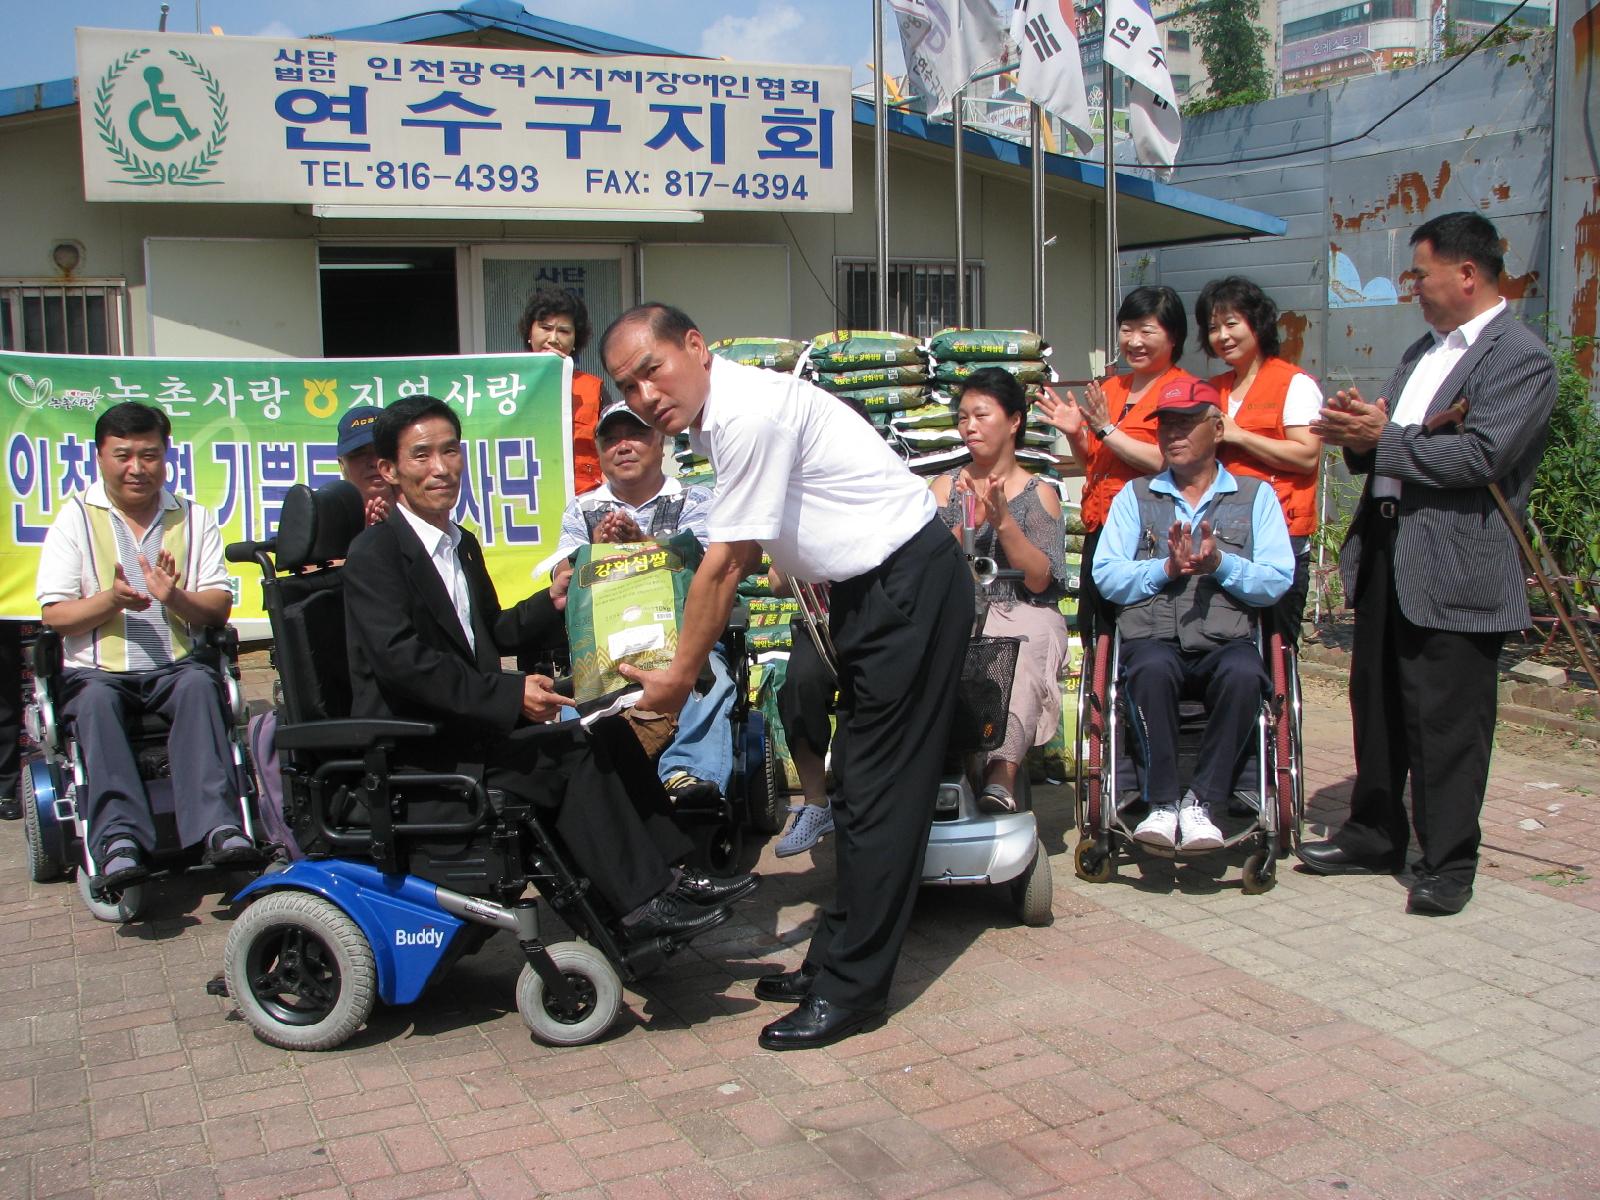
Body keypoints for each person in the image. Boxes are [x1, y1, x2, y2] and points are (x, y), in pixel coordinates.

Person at [601, 303, 974, 1051]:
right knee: (856, 790)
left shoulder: (747, 413)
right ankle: (833, 960)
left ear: (695, 347)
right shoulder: (719, 419)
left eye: (652, 370)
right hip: (867, 593)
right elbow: (744, 547)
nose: (645, 396)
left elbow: (728, 563)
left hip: (907, 586)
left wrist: (677, 678)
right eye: (628, 387)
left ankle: (854, 990)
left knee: (880, 797)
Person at [342, 395, 754, 941]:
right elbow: (404, 664)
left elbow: (492, 632)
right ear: (391, 470)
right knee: (575, 754)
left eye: (450, 451)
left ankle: (676, 875)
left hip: (472, 728)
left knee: (610, 734)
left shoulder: (459, 544)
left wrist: (554, 599)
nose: (440, 468)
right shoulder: (374, 553)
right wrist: (510, 696)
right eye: (421, 456)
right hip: (422, 746)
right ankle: (640, 905)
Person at [1299, 211, 1557, 916]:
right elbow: (1393, 444)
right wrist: (1357, 435)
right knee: (1377, 702)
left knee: (1447, 720)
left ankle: (1447, 861)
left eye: (1421, 273)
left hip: (1456, 563)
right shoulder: (1422, 351)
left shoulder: (1519, 356)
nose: (1412, 286)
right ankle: (1375, 833)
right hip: (1388, 549)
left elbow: (1481, 457)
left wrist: (1383, 437)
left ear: (1466, 273)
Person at [34, 401, 255, 886]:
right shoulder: (75, 519)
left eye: (149, 455)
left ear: (166, 455)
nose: (137, 468)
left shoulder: (193, 517)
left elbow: (217, 607)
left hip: (175, 667)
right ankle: (119, 841)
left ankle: (220, 829)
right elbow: (55, 615)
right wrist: (112, 600)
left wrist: (174, 596)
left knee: (200, 688)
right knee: (95, 703)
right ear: (100, 457)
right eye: (124, 455)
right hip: (96, 673)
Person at [1093, 378, 1294, 850]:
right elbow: (1108, 575)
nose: (1173, 434)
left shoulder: (1255, 496)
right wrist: (1164, 568)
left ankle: (1202, 802)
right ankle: (1162, 803)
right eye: (1166, 425)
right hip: (1153, 639)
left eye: (1186, 423)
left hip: (1226, 641)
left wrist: (1220, 564)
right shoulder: (1135, 496)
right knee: (1150, 669)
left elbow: (1276, 579)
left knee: (1245, 674)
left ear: (1218, 428)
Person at [554, 398, 733, 804]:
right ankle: (591, 786)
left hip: (682, 639)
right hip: (606, 644)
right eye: (611, 440)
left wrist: (646, 547)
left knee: (714, 676)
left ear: (659, 442)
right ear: (600, 452)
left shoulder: (695, 499)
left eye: (635, 434)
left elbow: (710, 569)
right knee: (571, 695)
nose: (623, 446)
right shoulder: (582, 509)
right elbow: (562, 578)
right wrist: (593, 554)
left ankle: (686, 774)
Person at [930, 367, 1070, 814]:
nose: (969, 426)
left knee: (1019, 651)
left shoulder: (1039, 492)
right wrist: (967, 524)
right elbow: (929, 569)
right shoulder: (945, 487)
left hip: (1021, 606)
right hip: (959, 608)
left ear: (1014, 421)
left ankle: (1001, 775)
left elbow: (1041, 579)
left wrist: (1003, 521)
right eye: (963, 417)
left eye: (981, 415)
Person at [1036, 286, 1195, 640]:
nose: (1134, 341)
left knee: (1141, 628)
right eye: (1127, 329)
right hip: (1101, 524)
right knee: (1097, 628)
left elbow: (1166, 461)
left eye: (1146, 331)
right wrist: (1076, 434)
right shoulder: (1110, 389)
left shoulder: (1183, 391)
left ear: (1173, 337)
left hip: (1150, 532)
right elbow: (1093, 463)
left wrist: (1107, 430)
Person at [1195, 276, 1324, 640]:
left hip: (1278, 533)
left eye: (1231, 324)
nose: (1223, 336)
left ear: (1258, 323)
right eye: (1213, 328)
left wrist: (1239, 436)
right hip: (1222, 535)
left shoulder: (1294, 384)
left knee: (1275, 643)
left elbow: (1306, 455)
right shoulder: (1212, 389)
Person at [518, 289, 607, 495]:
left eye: (564, 331)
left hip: (584, 498)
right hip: (526, 497)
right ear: (529, 333)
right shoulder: (508, 386)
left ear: (576, 340)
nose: (553, 338)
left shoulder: (593, 388)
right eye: (545, 328)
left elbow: (613, 445)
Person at [335, 405, 396, 527]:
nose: (374, 462)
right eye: (359, 453)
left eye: (381, 449)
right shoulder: (325, 525)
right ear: (342, 464)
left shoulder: (431, 514)